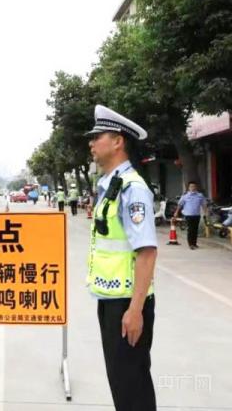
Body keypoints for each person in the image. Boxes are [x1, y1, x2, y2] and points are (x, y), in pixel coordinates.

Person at [86, 104, 158, 411]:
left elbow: (147, 252)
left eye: (97, 136)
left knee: (131, 387)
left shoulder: (132, 189)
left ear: (118, 141)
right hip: (112, 300)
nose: (91, 143)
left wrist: (135, 310)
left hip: (127, 304)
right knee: (123, 383)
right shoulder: (112, 185)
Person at [173, 182, 207, 250]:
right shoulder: (185, 196)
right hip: (188, 215)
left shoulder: (200, 195)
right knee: (190, 229)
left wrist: (205, 212)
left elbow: (203, 204)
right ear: (189, 188)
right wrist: (176, 212)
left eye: (194, 186)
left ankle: (194, 243)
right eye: (191, 186)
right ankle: (190, 244)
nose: (193, 188)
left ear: (196, 187)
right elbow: (180, 204)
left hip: (197, 215)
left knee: (195, 229)